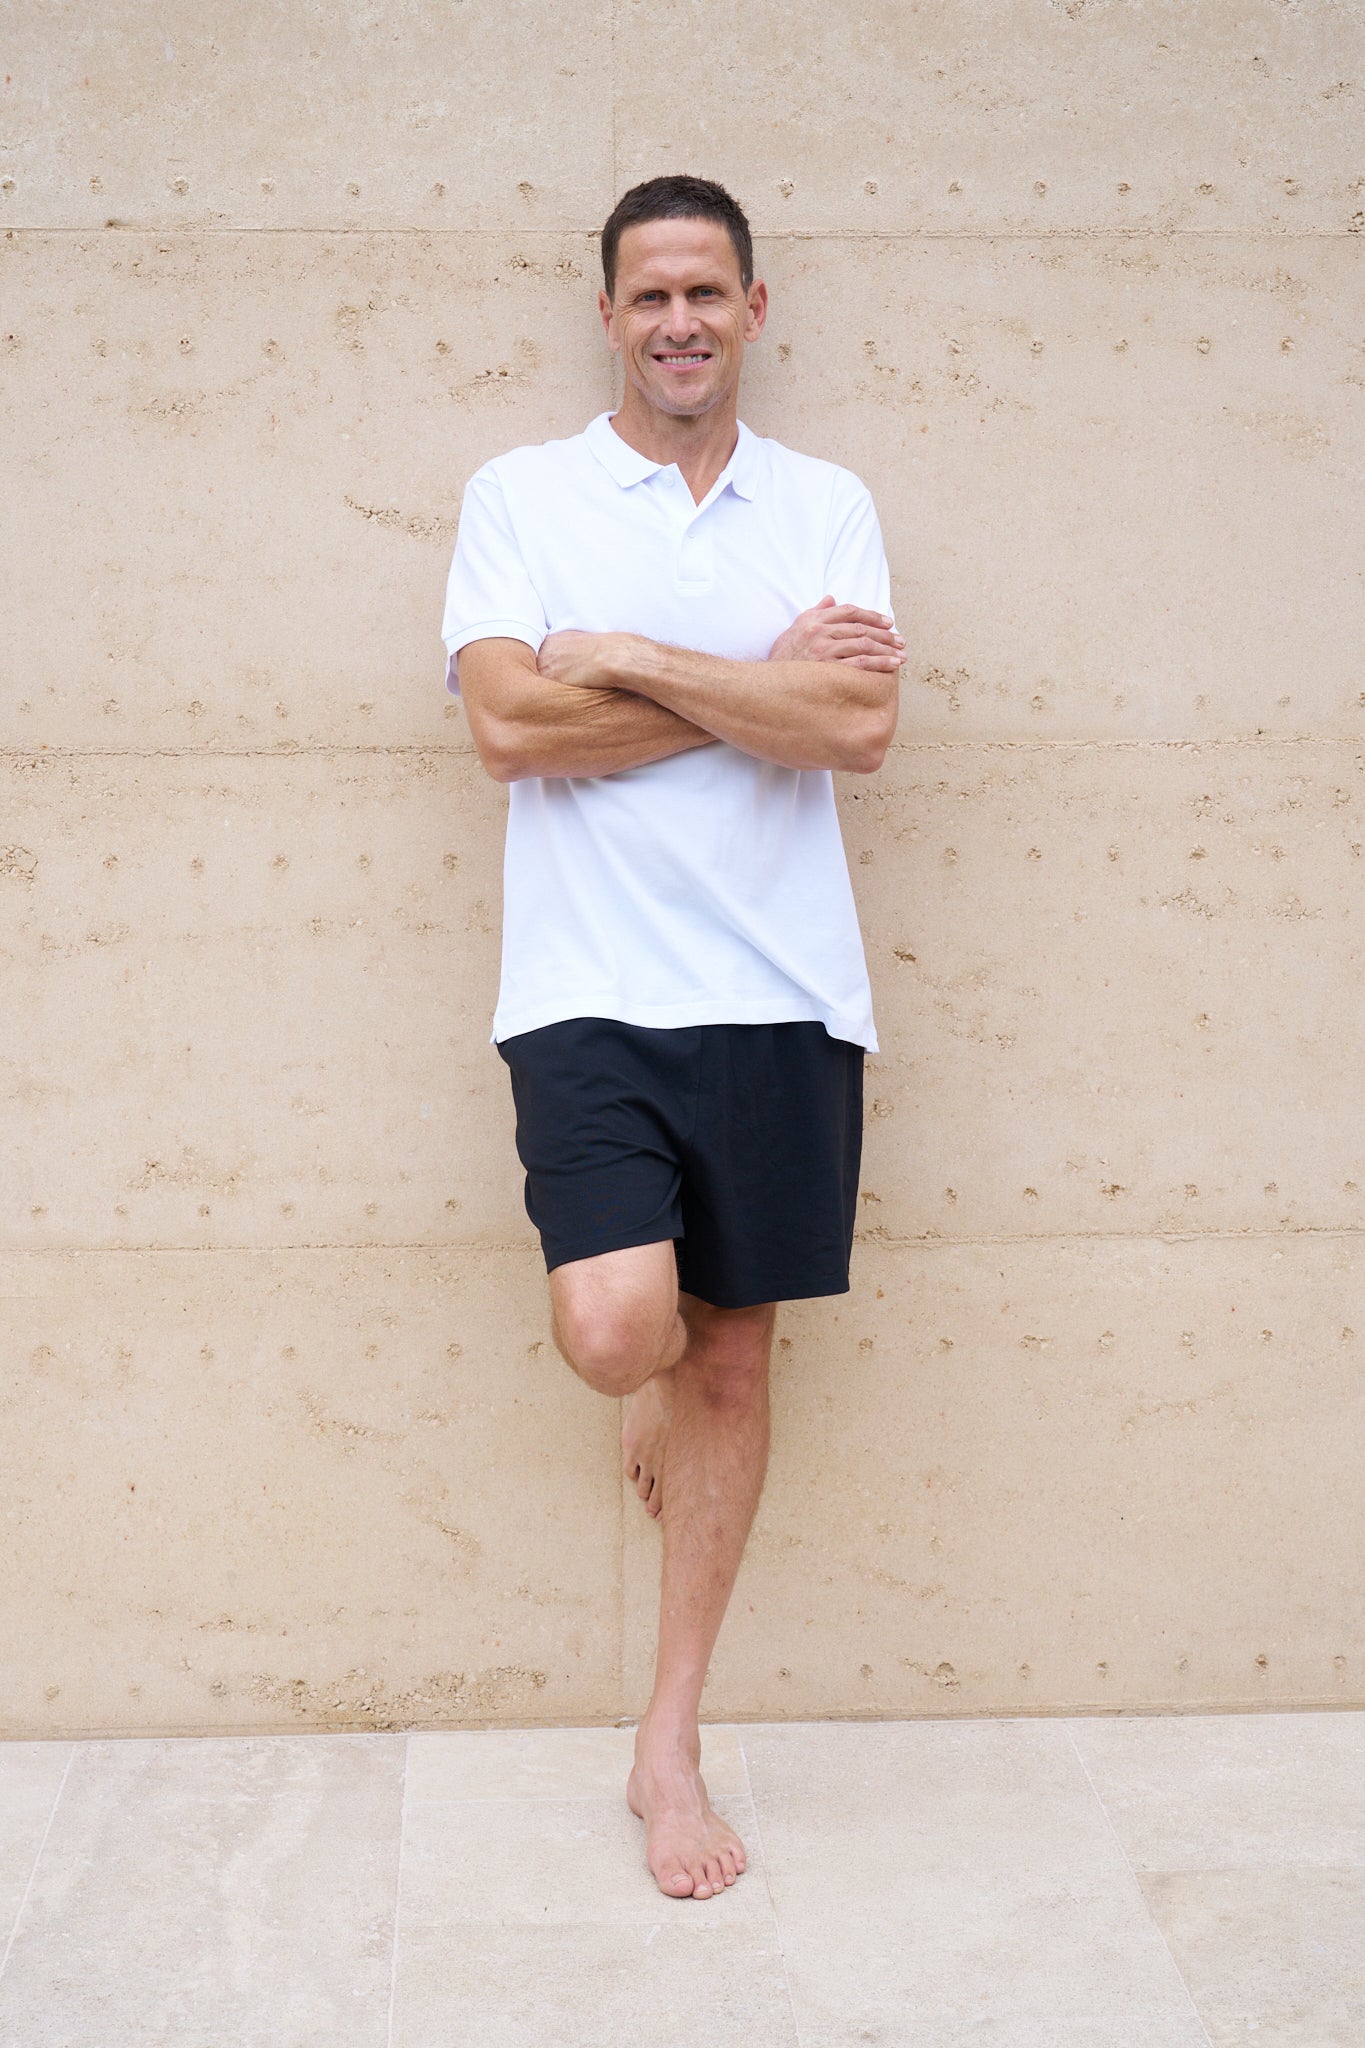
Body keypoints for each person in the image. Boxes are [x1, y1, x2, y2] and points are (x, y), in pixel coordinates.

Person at [440, 174, 902, 1901]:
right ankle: (645, 1384)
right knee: (623, 1331)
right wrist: (752, 687)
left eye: (707, 292)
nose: (680, 322)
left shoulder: (824, 503)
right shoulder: (523, 495)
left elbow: (855, 725)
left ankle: (669, 1742)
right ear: (609, 316)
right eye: (650, 296)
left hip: (782, 994)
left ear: (752, 309)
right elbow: (507, 730)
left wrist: (630, 657)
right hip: (588, 991)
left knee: (732, 1362)